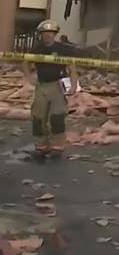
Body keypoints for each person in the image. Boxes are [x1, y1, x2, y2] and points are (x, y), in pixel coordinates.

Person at [21, 20, 78, 160]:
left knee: (57, 117)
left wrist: (73, 85)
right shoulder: (37, 49)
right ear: (41, 34)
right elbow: (25, 62)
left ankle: (57, 147)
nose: (48, 35)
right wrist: (29, 78)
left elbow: (72, 68)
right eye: (45, 33)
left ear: (55, 34)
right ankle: (41, 147)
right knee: (38, 118)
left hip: (57, 86)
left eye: (51, 33)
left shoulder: (63, 49)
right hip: (42, 86)